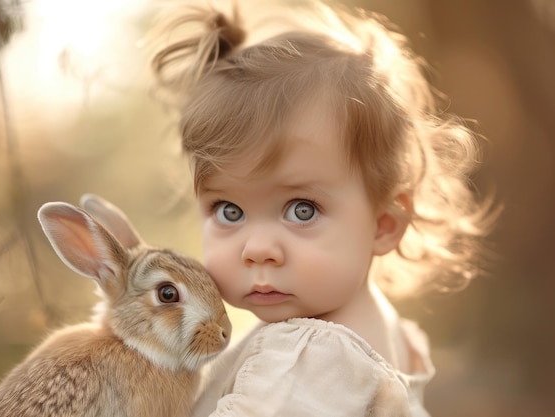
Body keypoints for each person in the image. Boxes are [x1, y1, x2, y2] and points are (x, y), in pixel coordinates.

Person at [147, 0, 495, 415]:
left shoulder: (310, 355)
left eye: (302, 210)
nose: (257, 249)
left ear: (384, 224)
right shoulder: (388, 338)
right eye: (229, 211)